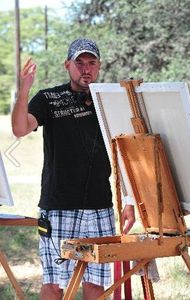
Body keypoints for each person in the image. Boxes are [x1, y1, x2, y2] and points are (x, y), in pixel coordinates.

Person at [11, 38, 135, 299]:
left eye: (91, 63)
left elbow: (126, 153)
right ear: (67, 65)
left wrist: (129, 200)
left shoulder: (109, 101)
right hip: (58, 207)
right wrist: (24, 90)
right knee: (55, 284)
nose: (85, 69)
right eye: (79, 63)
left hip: (100, 207)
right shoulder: (49, 98)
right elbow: (20, 128)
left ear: (99, 66)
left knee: (95, 284)